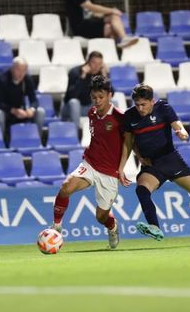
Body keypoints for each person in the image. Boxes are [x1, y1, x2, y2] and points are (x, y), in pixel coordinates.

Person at [117, 84, 190, 241]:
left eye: (144, 104)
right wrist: (122, 168)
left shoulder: (163, 107)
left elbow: (178, 126)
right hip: (151, 164)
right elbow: (128, 143)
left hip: (171, 159)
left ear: (152, 101)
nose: (140, 108)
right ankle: (155, 227)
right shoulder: (129, 116)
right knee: (142, 190)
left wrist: (182, 132)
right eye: (137, 105)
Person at [52, 75, 124, 249]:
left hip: (109, 172)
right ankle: (56, 227)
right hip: (90, 164)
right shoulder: (92, 113)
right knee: (66, 187)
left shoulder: (120, 118)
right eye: (94, 97)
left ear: (110, 95)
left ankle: (112, 227)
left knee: (101, 217)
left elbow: (130, 143)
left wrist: (122, 168)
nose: (97, 101)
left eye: (101, 97)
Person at [0, 56, 45, 137]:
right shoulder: (1, 79)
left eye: (24, 71)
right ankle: (0, 141)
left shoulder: (27, 79)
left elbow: (34, 100)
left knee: (40, 111)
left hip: (20, 110)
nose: (21, 74)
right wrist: (13, 110)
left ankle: (37, 139)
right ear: (12, 68)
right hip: (3, 110)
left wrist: (31, 109)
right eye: (18, 70)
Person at [62, 51, 108, 128]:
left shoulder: (100, 74)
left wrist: (104, 77)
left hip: (90, 107)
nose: (96, 66)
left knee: (112, 102)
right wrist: (82, 77)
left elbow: (111, 94)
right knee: (74, 102)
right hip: (71, 108)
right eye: (94, 63)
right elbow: (72, 95)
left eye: (99, 64)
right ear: (88, 62)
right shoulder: (75, 72)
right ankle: (75, 135)